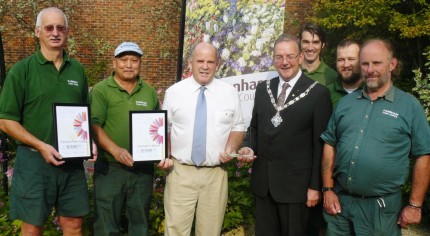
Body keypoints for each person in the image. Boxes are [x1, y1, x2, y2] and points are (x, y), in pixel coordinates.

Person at [0, 7, 95, 235]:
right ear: (37, 31)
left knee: (74, 225)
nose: (55, 33)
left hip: (71, 163)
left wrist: (90, 141)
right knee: (33, 228)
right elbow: (5, 121)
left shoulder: (78, 71)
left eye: (60, 28)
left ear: (67, 32)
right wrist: (41, 145)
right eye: (49, 28)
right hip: (34, 163)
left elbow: (83, 115)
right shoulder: (22, 71)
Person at [321, 39, 430, 236]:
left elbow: (423, 155)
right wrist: (328, 189)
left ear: (392, 64)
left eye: (376, 63)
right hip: (340, 207)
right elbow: (330, 144)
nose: (370, 69)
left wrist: (415, 205)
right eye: (364, 64)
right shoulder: (346, 103)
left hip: (381, 210)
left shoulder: (409, 106)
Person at [239, 33, 332, 236]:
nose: (284, 62)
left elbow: (321, 145)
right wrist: (248, 146)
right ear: (273, 59)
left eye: (290, 56)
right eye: (279, 57)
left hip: (296, 189)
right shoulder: (263, 89)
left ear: (300, 58)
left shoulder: (318, 94)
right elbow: (254, 127)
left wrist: (315, 186)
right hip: (264, 186)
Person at [162, 42, 246, 236]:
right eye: (200, 61)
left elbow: (238, 127)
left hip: (215, 175)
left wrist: (230, 149)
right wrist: (163, 156)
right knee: (175, 231)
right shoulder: (174, 92)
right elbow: (164, 128)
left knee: (210, 232)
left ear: (217, 64)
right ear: (190, 63)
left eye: (210, 61)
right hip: (180, 172)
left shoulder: (230, 93)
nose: (205, 66)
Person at [90, 42, 172, 235]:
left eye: (134, 60)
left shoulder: (149, 91)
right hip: (110, 169)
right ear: (114, 62)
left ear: (140, 63)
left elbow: (158, 126)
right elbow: (94, 126)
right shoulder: (102, 90)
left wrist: (162, 153)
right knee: (106, 226)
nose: (129, 65)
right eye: (124, 60)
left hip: (142, 171)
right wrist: (115, 150)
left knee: (140, 224)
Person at [328, 39, 363, 108]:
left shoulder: (372, 91)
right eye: (340, 60)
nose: (346, 65)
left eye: (351, 59)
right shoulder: (327, 93)